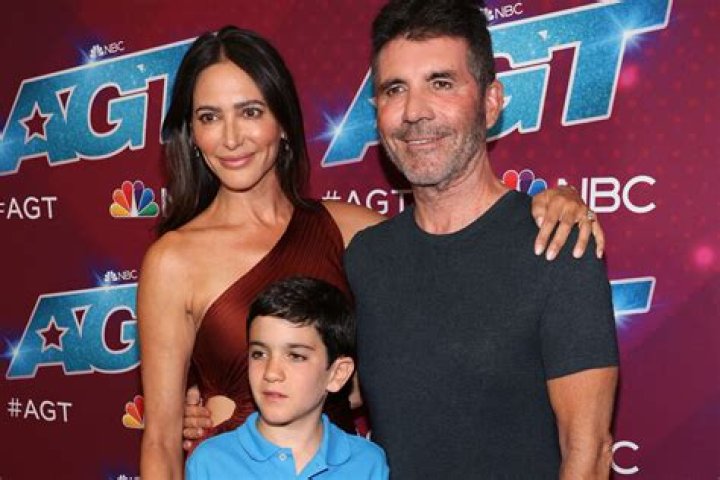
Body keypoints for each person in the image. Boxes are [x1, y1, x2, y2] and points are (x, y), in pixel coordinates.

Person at [142, 24, 601, 478]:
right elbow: (160, 442)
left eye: (250, 112)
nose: (230, 138)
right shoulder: (172, 261)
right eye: (209, 117)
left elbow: (404, 346)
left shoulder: (354, 232)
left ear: (282, 122)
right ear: (191, 135)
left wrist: (554, 203)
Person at [343, 0, 619, 478]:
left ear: (491, 103)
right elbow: (326, 388)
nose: (414, 112)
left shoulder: (557, 244)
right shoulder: (366, 257)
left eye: (441, 83)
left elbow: (588, 452)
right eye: (395, 89)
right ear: (376, 110)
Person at [185, 277, 389, 479]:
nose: (271, 373)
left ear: (337, 374)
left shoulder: (366, 463)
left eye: (296, 356)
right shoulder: (211, 462)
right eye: (259, 354)